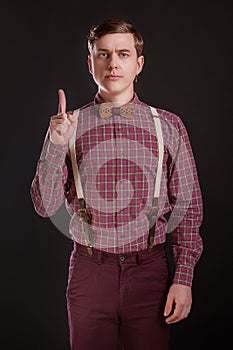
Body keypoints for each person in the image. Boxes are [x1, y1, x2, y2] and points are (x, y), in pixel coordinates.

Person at [30, 18, 204, 350]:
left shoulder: (168, 126)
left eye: (123, 54)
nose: (113, 63)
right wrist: (55, 145)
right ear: (90, 62)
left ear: (138, 64)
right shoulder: (68, 127)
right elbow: (45, 207)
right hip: (89, 272)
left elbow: (189, 207)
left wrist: (183, 279)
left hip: (150, 271)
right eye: (103, 54)